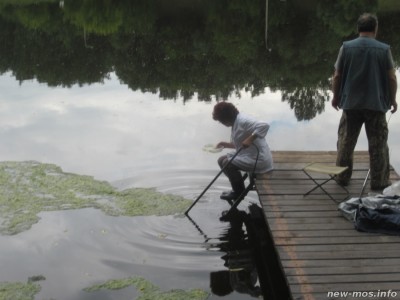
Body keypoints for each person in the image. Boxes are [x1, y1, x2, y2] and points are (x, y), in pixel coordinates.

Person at [332, 13, 397, 190]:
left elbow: (337, 76)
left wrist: (335, 97)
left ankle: (342, 177)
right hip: (376, 104)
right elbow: (391, 78)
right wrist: (393, 100)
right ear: (375, 28)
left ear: (358, 28)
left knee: (346, 142)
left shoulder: (346, 47)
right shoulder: (383, 49)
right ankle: (379, 181)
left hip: (351, 103)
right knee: (378, 145)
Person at [212, 102, 273, 201]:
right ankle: (237, 186)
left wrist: (251, 139)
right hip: (249, 155)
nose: (221, 124)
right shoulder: (236, 122)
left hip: (258, 159)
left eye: (221, 121)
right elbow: (241, 145)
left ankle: (238, 192)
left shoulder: (243, 120)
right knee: (221, 160)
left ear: (226, 119)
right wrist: (225, 144)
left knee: (227, 164)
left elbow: (264, 125)